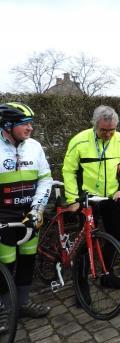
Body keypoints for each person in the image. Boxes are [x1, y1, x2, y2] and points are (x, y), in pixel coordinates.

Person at [62, 105, 120, 288]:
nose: (108, 134)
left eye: (112, 130)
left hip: (111, 197)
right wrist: (74, 198)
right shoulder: (80, 141)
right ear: (95, 125)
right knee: (84, 242)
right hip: (86, 199)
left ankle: (107, 275)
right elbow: (68, 171)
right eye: (103, 130)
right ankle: (80, 285)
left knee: (114, 237)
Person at [0, 102, 52, 318]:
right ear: (8, 125)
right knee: (6, 265)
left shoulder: (34, 146)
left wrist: (37, 209)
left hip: (29, 215)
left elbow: (45, 179)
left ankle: (22, 303)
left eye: (31, 123)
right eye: (24, 124)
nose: (30, 128)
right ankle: (3, 310)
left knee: (27, 261)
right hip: (4, 217)